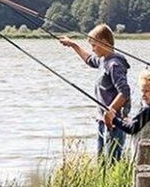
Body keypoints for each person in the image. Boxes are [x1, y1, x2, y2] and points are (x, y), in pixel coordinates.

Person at [60, 24, 131, 161]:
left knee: (112, 161)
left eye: (94, 45)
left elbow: (124, 92)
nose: (92, 49)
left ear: (104, 43)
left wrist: (111, 112)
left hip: (114, 121)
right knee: (102, 160)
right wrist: (73, 45)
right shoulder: (103, 59)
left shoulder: (114, 64)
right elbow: (89, 59)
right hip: (102, 119)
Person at [107, 70, 150, 140]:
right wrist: (128, 121)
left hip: (143, 149)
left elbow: (131, 129)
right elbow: (137, 123)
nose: (143, 94)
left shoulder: (147, 110)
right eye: (142, 91)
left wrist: (114, 119)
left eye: (147, 91)